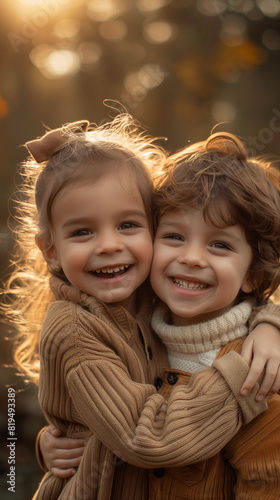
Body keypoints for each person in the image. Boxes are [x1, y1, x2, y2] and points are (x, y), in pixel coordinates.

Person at [2, 116, 278, 500]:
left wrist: (271, 325)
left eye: (128, 225)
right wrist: (243, 375)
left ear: (151, 229)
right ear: (51, 251)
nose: (109, 245)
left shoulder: (153, 294)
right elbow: (144, 437)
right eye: (83, 231)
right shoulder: (74, 330)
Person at [146, 131, 280, 498]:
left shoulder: (258, 372)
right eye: (173, 236)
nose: (191, 257)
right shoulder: (131, 332)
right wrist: (55, 444)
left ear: (253, 274)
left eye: (219, 244)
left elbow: (265, 482)